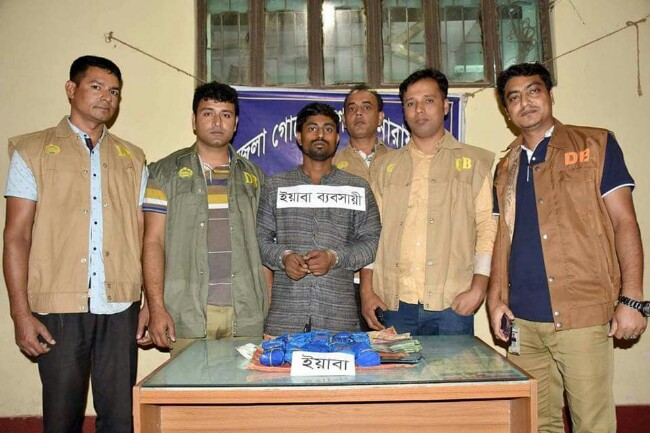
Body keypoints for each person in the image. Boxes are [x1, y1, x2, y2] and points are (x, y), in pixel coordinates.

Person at [487, 62, 647, 433]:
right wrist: (495, 299)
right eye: (514, 97)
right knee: (534, 424)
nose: (525, 102)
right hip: (522, 322)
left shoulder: (595, 145)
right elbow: (500, 238)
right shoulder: (505, 166)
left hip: (582, 317)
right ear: (507, 111)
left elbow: (624, 221)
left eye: (534, 91)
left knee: (592, 425)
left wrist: (633, 299)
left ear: (550, 96)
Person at [3, 55, 148, 433]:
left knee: (121, 419)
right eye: (96, 87)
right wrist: (20, 314)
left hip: (120, 304)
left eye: (114, 91)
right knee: (62, 419)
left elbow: (143, 234)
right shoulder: (32, 151)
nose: (106, 97)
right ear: (71, 89)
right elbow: (16, 236)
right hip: (58, 306)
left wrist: (149, 302)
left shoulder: (132, 157)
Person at [364, 68, 497, 334]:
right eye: (410, 103)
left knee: (453, 365)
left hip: (453, 303)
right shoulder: (384, 166)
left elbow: (487, 226)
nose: (419, 110)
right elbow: (370, 231)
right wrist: (367, 291)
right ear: (404, 112)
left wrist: (479, 288)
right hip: (393, 301)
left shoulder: (475, 163)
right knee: (394, 364)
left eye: (428, 100)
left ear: (445, 106)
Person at [143, 81, 269, 355]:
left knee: (244, 384)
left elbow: (265, 249)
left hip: (246, 314)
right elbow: (153, 242)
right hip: (185, 313)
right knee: (189, 384)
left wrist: (268, 312)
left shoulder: (255, 177)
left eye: (226, 114)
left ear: (235, 123)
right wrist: (155, 307)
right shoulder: (164, 173)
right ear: (194, 120)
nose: (217, 122)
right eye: (208, 113)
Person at [257, 102, 381, 335]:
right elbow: (260, 239)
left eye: (328, 129)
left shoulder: (357, 188)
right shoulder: (275, 186)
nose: (320, 135)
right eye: (312, 128)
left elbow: (371, 242)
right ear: (299, 137)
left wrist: (335, 258)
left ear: (337, 138)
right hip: (285, 317)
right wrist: (283, 257)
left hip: (339, 318)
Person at [333, 84, 393, 330]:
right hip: (344, 281)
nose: (358, 113)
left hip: (391, 280)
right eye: (352, 109)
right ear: (344, 120)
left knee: (391, 351)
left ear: (380, 117)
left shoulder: (400, 162)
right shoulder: (329, 167)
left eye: (366, 108)